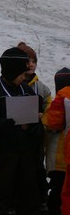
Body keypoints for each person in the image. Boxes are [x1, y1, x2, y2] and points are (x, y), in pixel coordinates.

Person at [0, 47, 44, 215]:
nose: (24, 77)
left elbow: (37, 115)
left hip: (26, 150)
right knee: (3, 188)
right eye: (21, 74)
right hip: (5, 151)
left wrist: (35, 126)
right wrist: (5, 124)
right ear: (11, 72)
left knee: (28, 189)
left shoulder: (27, 90)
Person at [18, 41, 51, 214]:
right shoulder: (12, 85)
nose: (31, 65)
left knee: (37, 169)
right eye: (27, 61)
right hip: (18, 138)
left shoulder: (42, 88)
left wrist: (42, 117)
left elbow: (50, 110)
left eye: (34, 61)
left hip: (36, 139)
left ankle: (40, 200)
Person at [42, 67, 70, 215]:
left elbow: (52, 122)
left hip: (60, 158)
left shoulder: (63, 97)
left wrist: (43, 115)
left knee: (58, 190)